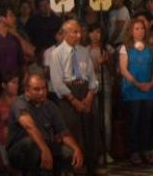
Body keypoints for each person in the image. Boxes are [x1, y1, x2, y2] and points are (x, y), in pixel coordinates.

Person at [48, 20, 99, 175]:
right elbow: (57, 82)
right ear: (65, 33)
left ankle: (92, 166)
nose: (78, 35)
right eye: (74, 32)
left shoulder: (84, 51)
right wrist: (74, 100)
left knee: (90, 132)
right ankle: (76, 167)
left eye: (79, 32)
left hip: (84, 90)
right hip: (68, 94)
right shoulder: (56, 54)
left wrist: (90, 95)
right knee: (73, 131)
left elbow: (92, 77)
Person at [7, 74, 84, 175]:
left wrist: (76, 149)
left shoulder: (50, 106)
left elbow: (63, 132)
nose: (41, 92)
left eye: (44, 88)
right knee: (32, 144)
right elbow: (29, 126)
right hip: (20, 150)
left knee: (69, 154)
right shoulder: (19, 103)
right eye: (36, 89)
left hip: (44, 145)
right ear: (27, 91)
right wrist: (44, 149)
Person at [119, 18, 153, 165]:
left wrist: (151, 83)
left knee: (147, 121)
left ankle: (146, 150)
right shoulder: (126, 48)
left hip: (149, 89)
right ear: (131, 31)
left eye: (142, 28)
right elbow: (123, 69)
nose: (140, 31)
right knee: (134, 121)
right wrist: (137, 83)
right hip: (132, 90)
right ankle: (134, 151)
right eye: (136, 29)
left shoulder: (151, 47)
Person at [88, 25, 114, 165]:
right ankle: (97, 151)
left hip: (106, 85)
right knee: (95, 119)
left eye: (98, 31)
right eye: (92, 32)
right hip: (92, 87)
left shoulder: (107, 49)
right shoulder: (85, 51)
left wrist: (108, 60)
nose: (95, 35)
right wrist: (97, 64)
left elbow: (114, 70)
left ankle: (107, 151)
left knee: (106, 119)